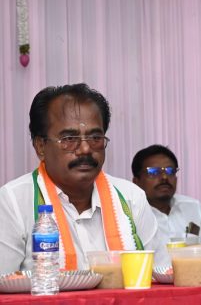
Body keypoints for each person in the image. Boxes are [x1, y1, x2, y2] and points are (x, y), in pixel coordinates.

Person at [0, 83, 167, 273]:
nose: (85, 149)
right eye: (69, 139)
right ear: (41, 146)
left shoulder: (131, 198)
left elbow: (161, 274)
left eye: (95, 138)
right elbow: (4, 284)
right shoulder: (13, 202)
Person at [132, 144, 201, 245]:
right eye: (154, 172)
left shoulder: (194, 208)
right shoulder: (131, 217)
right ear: (136, 182)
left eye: (170, 171)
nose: (164, 177)